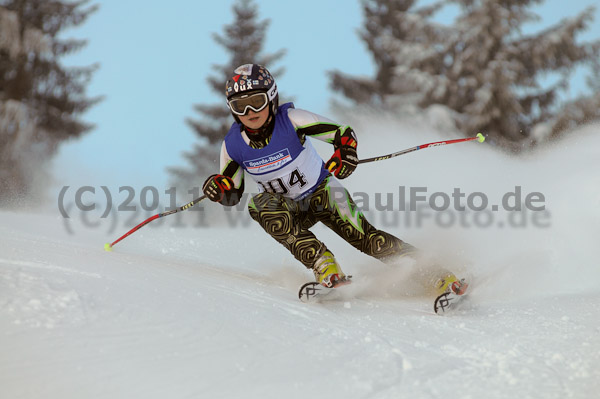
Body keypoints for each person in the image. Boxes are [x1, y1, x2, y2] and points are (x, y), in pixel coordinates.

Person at [202, 64, 466, 296]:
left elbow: (343, 134)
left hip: (324, 193)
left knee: (367, 240)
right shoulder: (233, 145)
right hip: (291, 210)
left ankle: (437, 274)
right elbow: (231, 192)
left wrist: (346, 154)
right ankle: (324, 266)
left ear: (271, 97)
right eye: (240, 106)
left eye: (257, 101)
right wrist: (216, 188)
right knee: (258, 204)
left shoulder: (292, 120)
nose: (250, 111)